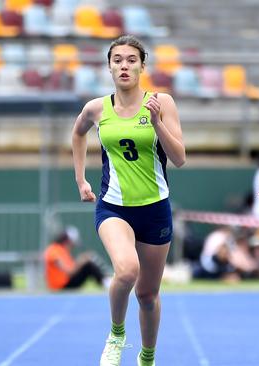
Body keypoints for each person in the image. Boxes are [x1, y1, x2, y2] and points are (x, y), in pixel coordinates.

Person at [71, 34, 185, 366]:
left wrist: (157, 124)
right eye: (118, 60)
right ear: (109, 66)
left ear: (142, 66)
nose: (124, 65)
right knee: (126, 271)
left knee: (147, 295)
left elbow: (179, 158)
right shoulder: (96, 109)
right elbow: (78, 133)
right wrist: (80, 179)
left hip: (154, 209)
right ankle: (116, 335)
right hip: (113, 206)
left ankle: (147, 357)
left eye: (131, 60)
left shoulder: (161, 103)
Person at [43, 225, 106, 290]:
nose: (73, 246)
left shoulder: (62, 250)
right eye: (73, 243)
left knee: (88, 265)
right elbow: (69, 271)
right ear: (67, 241)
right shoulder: (54, 250)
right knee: (88, 266)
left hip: (64, 283)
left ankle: (104, 281)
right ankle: (105, 282)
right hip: (61, 286)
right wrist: (81, 260)